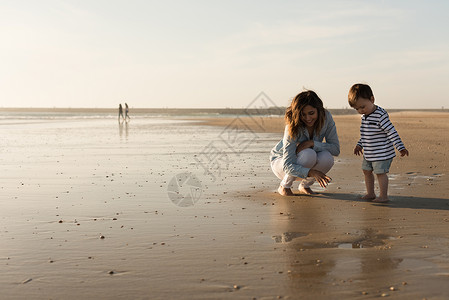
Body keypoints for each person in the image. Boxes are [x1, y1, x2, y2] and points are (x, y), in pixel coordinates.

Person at [270, 90, 340, 196]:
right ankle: (284, 186)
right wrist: (312, 172)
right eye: (303, 115)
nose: (308, 118)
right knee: (309, 154)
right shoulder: (292, 126)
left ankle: (305, 185)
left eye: (311, 113)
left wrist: (312, 143)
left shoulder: (326, 118)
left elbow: (335, 149)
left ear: (319, 110)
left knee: (327, 157)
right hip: (281, 162)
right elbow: (287, 165)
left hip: (304, 161)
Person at [348, 83, 409, 203]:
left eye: (362, 107)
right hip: (369, 153)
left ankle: (383, 196)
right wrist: (359, 144)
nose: (360, 111)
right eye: (357, 109)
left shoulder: (380, 115)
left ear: (372, 99)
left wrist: (400, 147)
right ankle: (370, 193)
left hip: (382, 153)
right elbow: (366, 134)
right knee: (366, 171)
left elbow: (391, 131)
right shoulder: (365, 117)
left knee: (380, 173)